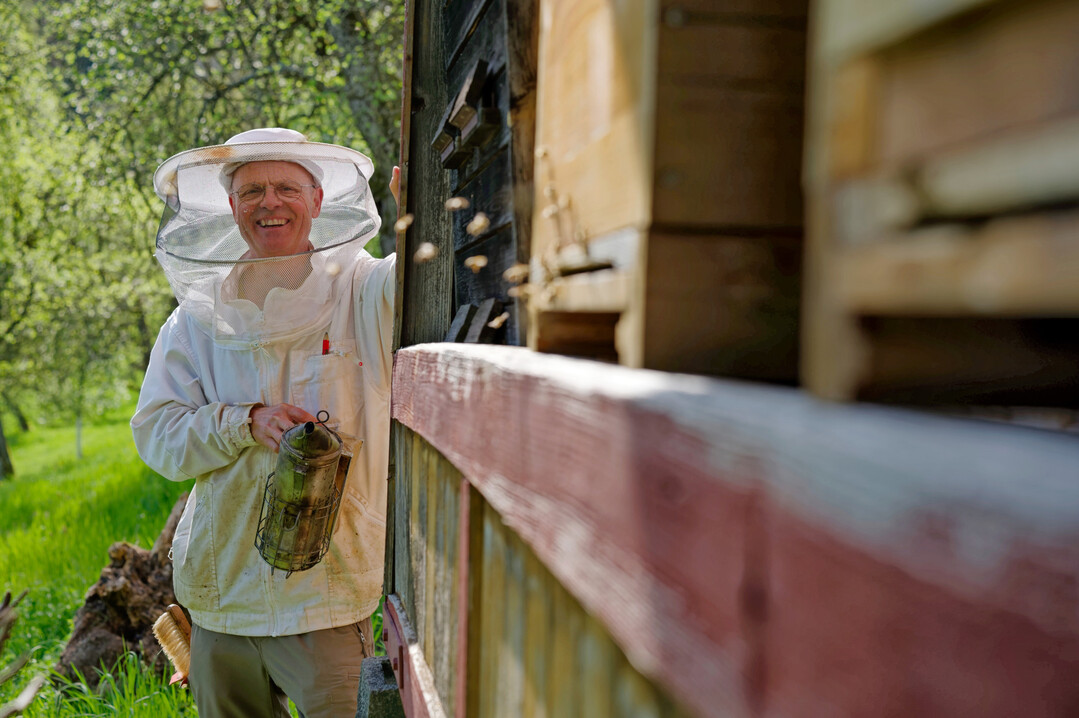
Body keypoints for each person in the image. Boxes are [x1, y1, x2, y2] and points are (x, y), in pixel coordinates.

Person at [131, 127, 398, 717]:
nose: (269, 203)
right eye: (251, 191)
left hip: (324, 600)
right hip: (220, 598)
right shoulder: (197, 318)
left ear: (319, 200)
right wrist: (241, 422)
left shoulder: (365, 289)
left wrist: (421, 221)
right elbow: (157, 436)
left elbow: (424, 284)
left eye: (285, 187)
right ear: (231, 207)